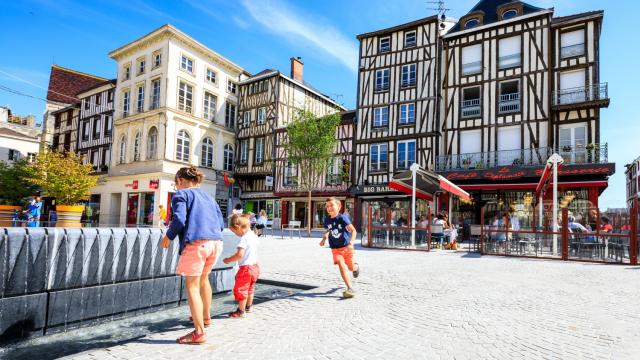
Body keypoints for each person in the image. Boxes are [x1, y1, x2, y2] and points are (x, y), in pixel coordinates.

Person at [160, 166, 224, 345]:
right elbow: (220, 223)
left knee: (192, 287)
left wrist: (168, 237)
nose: (176, 187)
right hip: (216, 243)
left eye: (175, 183)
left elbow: (179, 220)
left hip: (197, 244)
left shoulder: (181, 195)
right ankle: (206, 317)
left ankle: (199, 333)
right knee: (204, 280)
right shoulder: (209, 198)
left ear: (180, 181)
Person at [319, 197, 360, 298]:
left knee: (351, 267)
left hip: (346, 248)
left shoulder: (342, 218)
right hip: (335, 249)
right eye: (327, 206)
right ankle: (350, 288)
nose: (329, 208)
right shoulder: (327, 219)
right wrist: (324, 238)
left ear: (339, 206)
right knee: (341, 265)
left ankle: (356, 267)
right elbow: (329, 229)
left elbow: (354, 230)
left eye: (331, 205)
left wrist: (352, 242)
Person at [223, 214, 260, 318]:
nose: (236, 234)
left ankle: (241, 311)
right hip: (255, 266)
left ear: (238, 227)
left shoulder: (244, 238)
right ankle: (249, 306)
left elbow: (240, 254)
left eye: (235, 232)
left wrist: (228, 260)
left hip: (246, 268)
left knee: (241, 289)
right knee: (250, 288)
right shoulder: (253, 235)